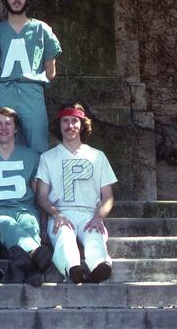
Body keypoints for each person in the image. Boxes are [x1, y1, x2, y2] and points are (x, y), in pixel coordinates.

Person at [35, 102, 117, 284]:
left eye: (74, 121)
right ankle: (72, 268)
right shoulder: (48, 157)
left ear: (82, 124)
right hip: (61, 213)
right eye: (65, 121)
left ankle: (101, 267)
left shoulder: (98, 156)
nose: (70, 125)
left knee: (95, 237)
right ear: (59, 124)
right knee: (64, 236)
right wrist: (56, 214)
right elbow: (41, 196)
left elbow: (108, 196)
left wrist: (98, 217)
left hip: (89, 213)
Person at [0, 107, 53, 287]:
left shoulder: (30, 156)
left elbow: (38, 193)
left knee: (29, 225)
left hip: (26, 209)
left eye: (8, 123)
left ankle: (29, 270)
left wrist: (44, 222)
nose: (4, 128)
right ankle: (36, 253)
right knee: (7, 225)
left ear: (16, 128)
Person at [0, 0, 61, 153]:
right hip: (3, 91)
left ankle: (37, 174)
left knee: (38, 143)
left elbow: (50, 70)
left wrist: (33, 83)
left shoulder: (41, 29)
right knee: (4, 143)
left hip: (32, 92)